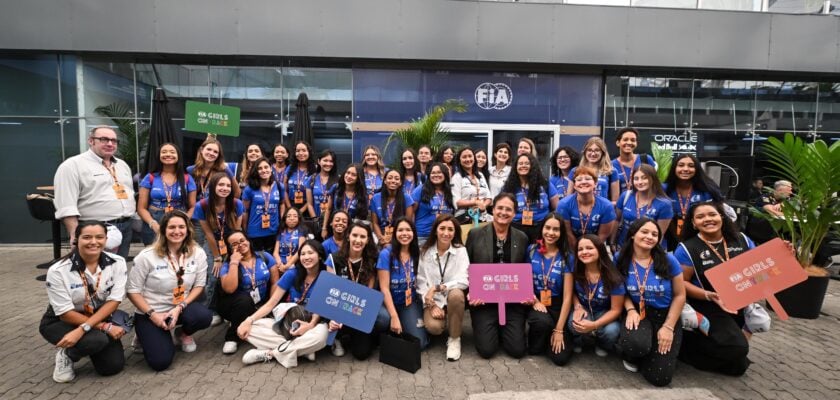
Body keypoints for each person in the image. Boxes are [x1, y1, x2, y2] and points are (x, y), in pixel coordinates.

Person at [674, 202, 755, 376]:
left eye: (712, 214)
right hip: (707, 303)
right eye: (700, 217)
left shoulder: (742, 239)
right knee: (737, 348)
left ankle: (711, 346)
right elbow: (681, 283)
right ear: (694, 223)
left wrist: (785, 252)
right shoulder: (687, 248)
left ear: (722, 217)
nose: (708, 219)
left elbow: (759, 266)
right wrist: (709, 296)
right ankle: (684, 346)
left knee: (738, 367)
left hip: (737, 302)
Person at [40, 221, 128, 382]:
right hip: (62, 320)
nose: (94, 242)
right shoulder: (58, 270)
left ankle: (81, 346)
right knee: (96, 340)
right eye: (87, 237)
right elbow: (65, 314)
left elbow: (114, 301)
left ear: (106, 239)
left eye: (99, 237)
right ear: (76, 239)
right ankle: (67, 355)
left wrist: (86, 328)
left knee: (111, 367)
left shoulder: (118, 263)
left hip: (99, 315)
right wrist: (104, 327)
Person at [127, 210, 212, 371]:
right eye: (172, 227)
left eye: (181, 227)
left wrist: (180, 308)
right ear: (163, 230)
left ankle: (181, 333)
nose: (177, 231)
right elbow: (132, 291)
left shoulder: (198, 253)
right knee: (160, 362)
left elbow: (199, 285)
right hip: (152, 312)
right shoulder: (146, 256)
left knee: (203, 316)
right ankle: (144, 334)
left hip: (179, 308)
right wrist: (153, 315)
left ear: (188, 230)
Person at [237, 240, 329, 368]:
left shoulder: (327, 275)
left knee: (321, 336)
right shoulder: (292, 273)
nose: (306, 257)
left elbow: (321, 307)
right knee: (248, 329)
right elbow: (272, 303)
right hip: (287, 323)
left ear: (319, 255)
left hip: (313, 324)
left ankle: (270, 353)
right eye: (302, 254)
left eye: (310, 253)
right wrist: (249, 320)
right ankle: (303, 350)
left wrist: (310, 325)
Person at [616, 218, 686, 387]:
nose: (650, 237)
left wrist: (668, 327)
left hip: (665, 314)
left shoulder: (669, 260)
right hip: (637, 312)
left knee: (659, 378)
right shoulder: (620, 258)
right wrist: (631, 310)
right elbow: (619, 291)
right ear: (633, 235)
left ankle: (656, 352)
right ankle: (633, 354)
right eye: (644, 232)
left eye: (655, 234)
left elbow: (680, 295)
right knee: (636, 344)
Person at [53, 126, 135, 257]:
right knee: (92, 271)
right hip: (94, 230)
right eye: (104, 139)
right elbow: (66, 205)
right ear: (91, 141)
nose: (110, 144)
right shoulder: (72, 165)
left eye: (114, 141)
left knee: (118, 269)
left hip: (125, 226)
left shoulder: (122, 165)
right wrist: (75, 235)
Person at [466, 193, 529, 359]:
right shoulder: (475, 234)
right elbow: (466, 267)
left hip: (512, 300)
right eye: (500, 208)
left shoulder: (522, 238)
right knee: (487, 350)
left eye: (508, 209)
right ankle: (492, 328)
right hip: (483, 300)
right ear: (492, 210)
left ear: (514, 214)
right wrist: (471, 291)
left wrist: (527, 294)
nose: (503, 212)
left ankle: (505, 329)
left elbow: (524, 271)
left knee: (517, 350)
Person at [417, 214, 469, 361]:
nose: (446, 233)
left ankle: (454, 338)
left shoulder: (461, 251)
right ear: (435, 230)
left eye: (450, 229)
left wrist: (439, 287)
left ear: (455, 232)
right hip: (434, 300)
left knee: (457, 295)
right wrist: (431, 304)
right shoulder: (425, 251)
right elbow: (420, 281)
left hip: (452, 297)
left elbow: (464, 280)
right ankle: (444, 319)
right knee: (434, 328)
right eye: (442, 228)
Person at [524, 213, 574, 365]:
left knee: (560, 359)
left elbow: (567, 297)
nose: (551, 233)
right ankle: (540, 339)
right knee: (540, 330)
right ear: (542, 228)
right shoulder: (531, 250)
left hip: (558, 304)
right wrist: (534, 300)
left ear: (561, 233)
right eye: (548, 228)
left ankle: (553, 334)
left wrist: (559, 330)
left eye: (556, 230)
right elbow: (524, 280)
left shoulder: (567, 256)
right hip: (536, 301)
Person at [217, 231, 278, 354]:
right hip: (236, 304)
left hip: (261, 302)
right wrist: (234, 262)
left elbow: (275, 282)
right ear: (230, 248)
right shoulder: (227, 265)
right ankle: (232, 337)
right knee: (244, 300)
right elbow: (229, 289)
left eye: (242, 240)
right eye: (234, 244)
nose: (240, 245)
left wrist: (271, 304)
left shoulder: (264, 256)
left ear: (248, 241)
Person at [325, 221, 379, 359]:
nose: (358, 240)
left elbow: (369, 293)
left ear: (367, 240)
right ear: (348, 236)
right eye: (355, 235)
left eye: (362, 237)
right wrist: (334, 317)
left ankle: (354, 334)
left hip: (359, 308)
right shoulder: (334, 259)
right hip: (338, 307)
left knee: (361, 354)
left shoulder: (371, 260)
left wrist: (357, 316)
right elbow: (330, 291)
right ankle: (338, 337)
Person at [192, 172, 245, 312]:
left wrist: (234, 254)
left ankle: (229, 307)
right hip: (213, 244)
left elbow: (237, 231)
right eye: (221, 184)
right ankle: (209, 310)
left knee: (235, 273)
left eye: (228, 185)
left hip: (232, 242)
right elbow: (208, 234)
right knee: (215, 275)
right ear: (213, 186)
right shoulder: (202, 206)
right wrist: (217, 258)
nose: (225, 188)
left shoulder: (236, 204)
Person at [376, 218, 429, 349]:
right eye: (400, 230)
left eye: (408, 230)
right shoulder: (386, 254)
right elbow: (384, 288)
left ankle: (402, 324)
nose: (404, 233)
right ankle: (382, 333)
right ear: (395, 233)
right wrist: (394, 316)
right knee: (384, 319)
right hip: (387, 302)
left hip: (408, 302)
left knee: (420, 343)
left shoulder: (417, 253)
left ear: (414, 233)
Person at [568, 234, 624, 357]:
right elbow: (569, 291)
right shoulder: (576, 268)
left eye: (589, 248)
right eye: (580, 249)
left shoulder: (613, 276)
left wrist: (594, 325)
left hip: (604, 311)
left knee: (612, 331)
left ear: (600, 250)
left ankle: (602, 344)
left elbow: (616, 309)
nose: (584, 252)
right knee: (574, 324)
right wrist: (577, 306)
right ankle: (579, 341)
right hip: (584, 308)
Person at [138, 143, 197, 245]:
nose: (168, 154)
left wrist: (184, 221)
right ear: (159, 156)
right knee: (154, 256)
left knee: (178, 255)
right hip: (155, 219)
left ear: (178, 156)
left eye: (172, 152)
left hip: (179, 219)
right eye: (164, 152)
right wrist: (153, 224)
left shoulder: (187, 178)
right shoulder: (150, 177)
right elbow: (141, 208)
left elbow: (193, 206)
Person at [663, 153, 725, 246]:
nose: (685, 169)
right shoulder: (664, 190)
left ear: (697, 169)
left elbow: (718, 216)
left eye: (691, 166)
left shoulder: (707, 190)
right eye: (681, 165)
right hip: (669, 239)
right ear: (674, 168)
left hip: (701, 238)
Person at [557, 166, 617, 251]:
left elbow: (602, 236)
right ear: (574, 185)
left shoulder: (606, 206)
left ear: (595, 183)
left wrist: (588, 252)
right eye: (579, 180)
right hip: (570, 247)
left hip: (595, 247)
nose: (583, 182)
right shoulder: (563, 204)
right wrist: (579, 252)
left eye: (588, 179)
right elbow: (568, 234)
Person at [614, 164, 674, 248]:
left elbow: (660, 234)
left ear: (653, 179)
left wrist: (652, 253)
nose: (640, 182)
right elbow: (616, 221)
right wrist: (612, 242)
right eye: (636, 179)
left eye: (644, 178)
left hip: (648, 249)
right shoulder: (626, 196)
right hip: (624, 247)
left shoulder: (664, 204)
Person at [501, 153, 557, 242]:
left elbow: (556, 209)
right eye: (520, 163)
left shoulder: (545, 185)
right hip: (516, 228)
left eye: (527, 163)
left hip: (541, 228)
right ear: (515, 167)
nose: (523, 166)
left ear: (533, 166)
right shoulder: (508, 187)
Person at [242, 158, 285, 253]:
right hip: (255, 232)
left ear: (271, 169)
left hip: (274, 230)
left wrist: (282, 221)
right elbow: (244, 211)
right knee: (259, 261)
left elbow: (282, 204)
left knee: (272, 261)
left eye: (266, 167)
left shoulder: (279, 186)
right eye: (260, 168)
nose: (264, 170)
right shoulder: (249, 189)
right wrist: (244, 231)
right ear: (256, 171)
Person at [451, 147, 492, 238]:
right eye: (464, 157)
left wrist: (483, 206)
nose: (468, 159)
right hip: (464, 219)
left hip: (482, 218)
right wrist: (475, 202)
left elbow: (489, 197)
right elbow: (457, 202)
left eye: (470, 156)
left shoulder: (480, 175)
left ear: (474, 158)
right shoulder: (457, 177)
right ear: (459, 160)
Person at [412, 162, 455, 244]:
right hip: (423, 236)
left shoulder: (449, 191)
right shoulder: (421, 189)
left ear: (445, 174)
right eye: (433, 173)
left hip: (443, 236)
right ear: (429, 175)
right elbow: (411, 213)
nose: (436, 175)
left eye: (439, 172)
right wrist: (411, 231)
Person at [371, 169, 415, 246]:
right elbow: (375, 223)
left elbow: (408, 223)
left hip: (400, 237)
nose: (393, 181)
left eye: (397, 179)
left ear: (400, 182)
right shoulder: (375, 198)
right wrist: (381, 239)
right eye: (390, 178)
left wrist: (394, 241)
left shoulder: (407, 198)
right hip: (381, 237)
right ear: (384, 181)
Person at [188, 136, 239, 202]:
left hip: (215, 210)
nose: (211, 153)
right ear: (201, 150)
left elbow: (237, 192)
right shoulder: (190, 170)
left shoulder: (224, 170)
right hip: (196, 210)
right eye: (209, 149)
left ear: (218, 155)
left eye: (215, 152)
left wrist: (225, 207)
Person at [570, 136, 620, 203]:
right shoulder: (575, 171)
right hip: (580, 211)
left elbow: (615, 201)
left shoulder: (611, 171)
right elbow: (569, 198)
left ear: (602, 152)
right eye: (589, 150)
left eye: (597, 150)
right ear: (585, 152)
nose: (593, 154)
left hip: (602, 211)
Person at [612, 127, 656, 196]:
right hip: (621, 204)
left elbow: (655, 184)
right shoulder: (611, 165)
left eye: (633, 140)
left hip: (644, 203)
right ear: (618, 143)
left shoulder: (645, 159)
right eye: (625, 139)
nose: (629, 142)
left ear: (636, 143)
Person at [307, 149, 339, 240]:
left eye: (331, 161)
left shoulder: (338, 179)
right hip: (316, 220)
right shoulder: (311, 179)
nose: (328, 163)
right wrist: (315, 219)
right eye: (325, 160)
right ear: (319, 161)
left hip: (333, 222)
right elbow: (309, 203)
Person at [325, 164, 369, 229]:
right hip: (335, 227)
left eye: (353, 175)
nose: (349, 176)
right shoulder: (336, 188)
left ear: (359, 178)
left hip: (352, 229)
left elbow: (362, 217)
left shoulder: (362, 195)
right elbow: (328, 209)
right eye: (348, 173)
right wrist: (324, 228)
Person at [273, 207, 307, 273]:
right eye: (288, 216)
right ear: (285, 219)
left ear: (299, 218)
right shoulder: (281, 231)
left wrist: (287, 266)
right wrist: (280, 264)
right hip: (279, 263)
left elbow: (300, 251)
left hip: (295, 263)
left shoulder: (301, 231)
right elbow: (275, 252)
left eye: (295, 216)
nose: (292, 218)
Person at [286, 141, 317, 214]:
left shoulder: (315, 169)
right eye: (298, 151)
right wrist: (290, 208)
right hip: (291, 206)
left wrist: (301, 211)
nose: (300, 153)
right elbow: (285, 190)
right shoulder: (290, 168)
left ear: (309, 152)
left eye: (304, 150)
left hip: (308, 207)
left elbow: (314, 193)